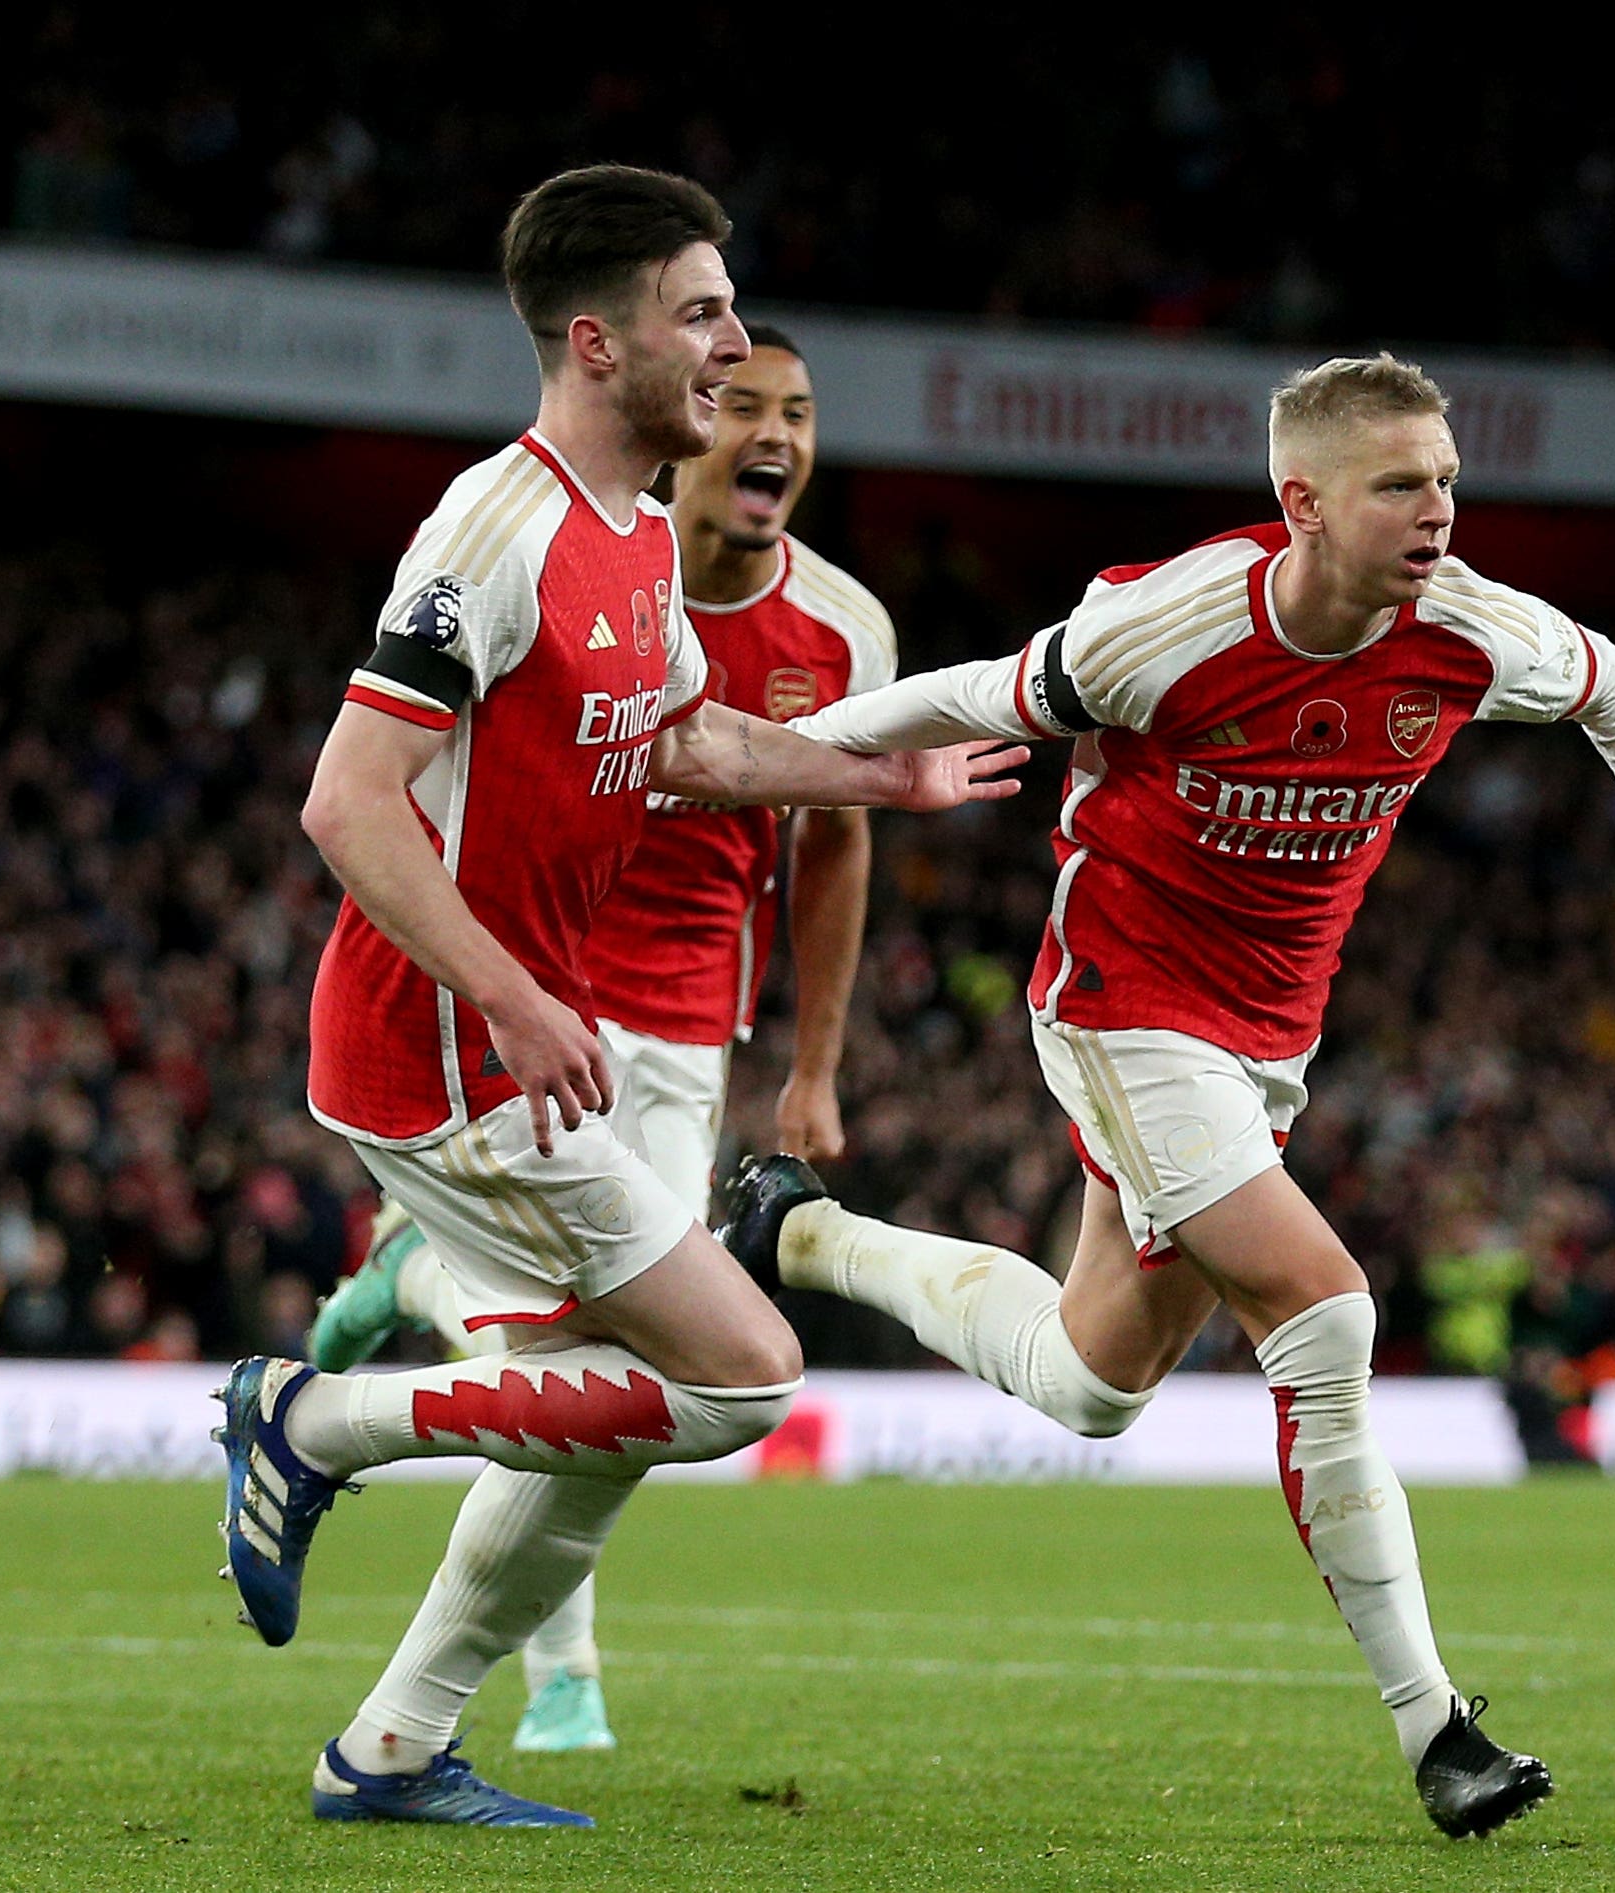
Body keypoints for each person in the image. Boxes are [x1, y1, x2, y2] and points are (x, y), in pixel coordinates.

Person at [714, 352, 1615, 1837]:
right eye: (1401, 484)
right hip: (1123, 1003)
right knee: (1328, 1307)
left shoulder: (1466, 631)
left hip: (1266, 1037)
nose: (1439, 512)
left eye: (1449, 480)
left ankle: (805, 1238)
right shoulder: (1170, 627)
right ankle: (1440, 1730)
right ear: (1304, 504)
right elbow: (978, 692)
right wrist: (768, 755)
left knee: (1095, 1379)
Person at [213, 163, 1019, 1829]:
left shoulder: (638, 527)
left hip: (504, 1052)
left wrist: (889, 781)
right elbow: (349, 799)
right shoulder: (492, 533)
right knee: (739, 1372)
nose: (732, 344)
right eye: (700, 312)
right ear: (599, 341)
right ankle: (318, 1417)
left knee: (599, 1405)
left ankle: (391, 1748)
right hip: (446, 1061)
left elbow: (694, 742)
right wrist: (513, 996)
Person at [302, 320, 897, 1757]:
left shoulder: (841, 627)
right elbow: (363, 792)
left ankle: (423, 1290)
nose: (768, 430)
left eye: (797, 411)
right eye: (739, 393)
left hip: (682, 1026)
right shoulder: (550, 539)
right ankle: (519, 1672)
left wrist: (814, 1061)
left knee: (618, 1373)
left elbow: (818, 837)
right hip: (532, 996)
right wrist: (507, 989)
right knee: (666, 1363)